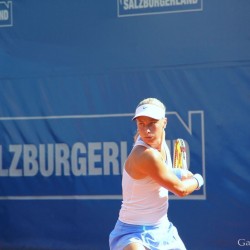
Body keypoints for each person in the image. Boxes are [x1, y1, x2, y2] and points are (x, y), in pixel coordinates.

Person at [109, 97, 204, 250]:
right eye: (141, 124)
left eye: (152, 123)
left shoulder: (158, 142)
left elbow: (153, 175)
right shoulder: (147, 154)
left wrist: (178, 173)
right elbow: (181, 190)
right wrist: (198, 179)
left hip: (163, 229)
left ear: (164, 122)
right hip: (132, 234)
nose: (146, 130)